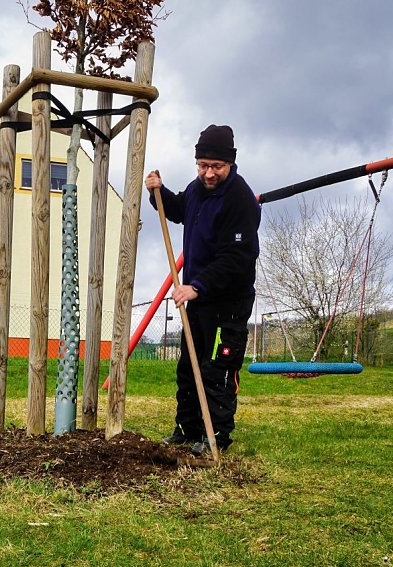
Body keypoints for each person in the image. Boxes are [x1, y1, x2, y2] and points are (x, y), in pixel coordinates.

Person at [146, 124, 260, 455]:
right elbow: (180, 209)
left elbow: (238, 258)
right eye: (203, 165)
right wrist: (159, 193)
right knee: (189, 365)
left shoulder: (240, 199)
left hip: (228, 302)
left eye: (216, 167)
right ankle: (188, 429)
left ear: (230, 163)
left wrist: (197, 285)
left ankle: (216, 437)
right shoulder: (197, 189)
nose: (208, 173)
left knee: (218, 369)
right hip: (198, 300)